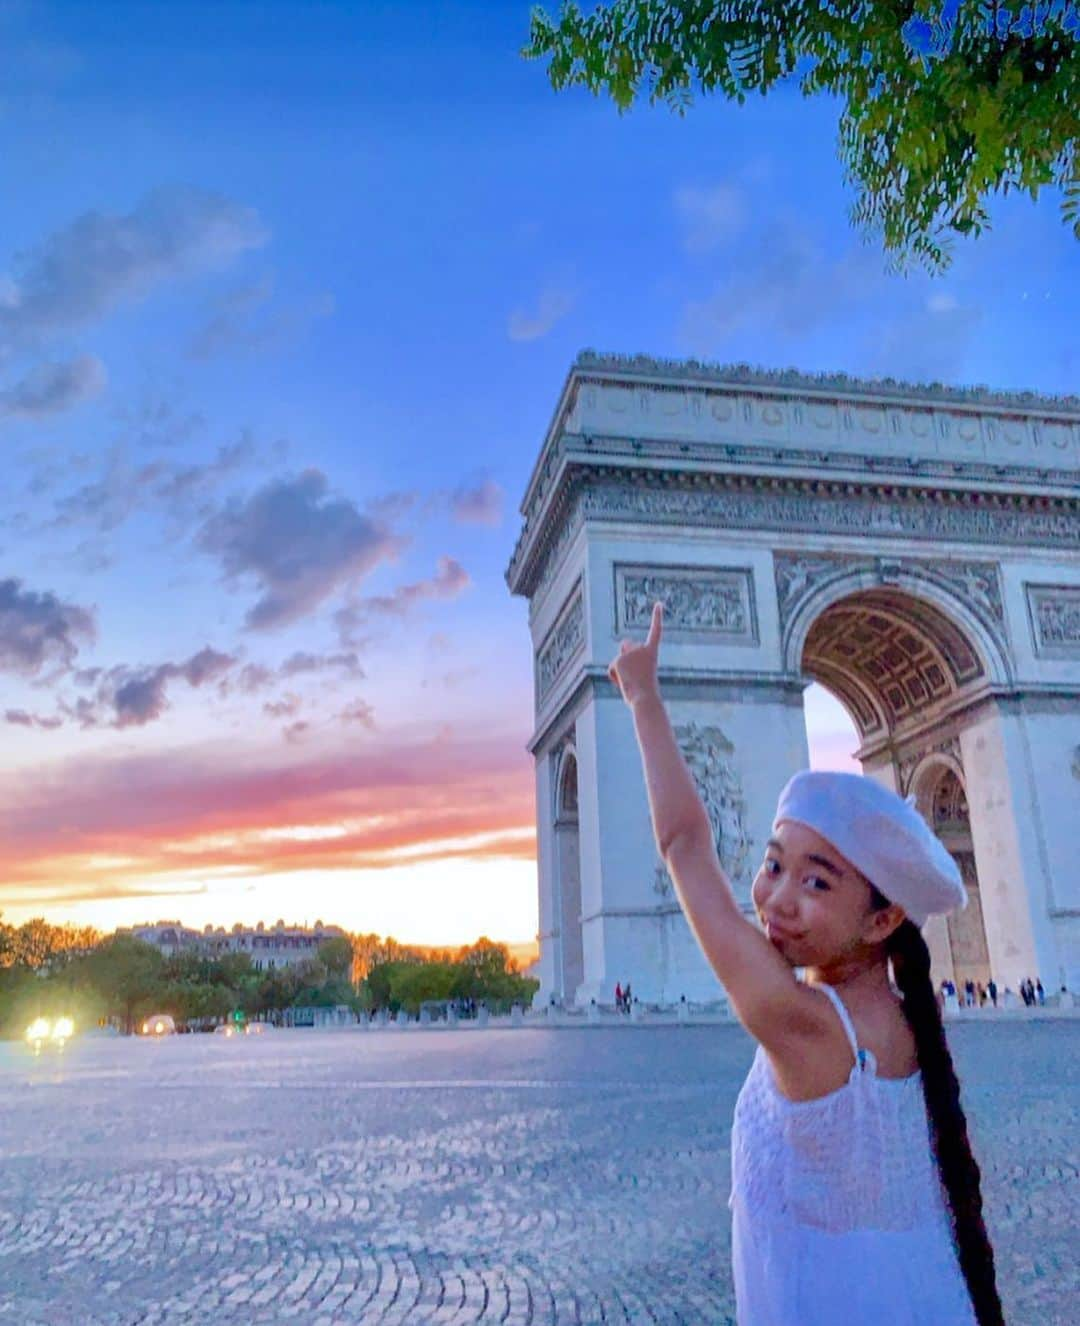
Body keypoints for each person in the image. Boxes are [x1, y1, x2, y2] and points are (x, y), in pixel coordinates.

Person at [608, 603, 1002, 1326]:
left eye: (817, 881)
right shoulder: (908, 1018)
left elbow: (685, 846)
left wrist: (643, 698)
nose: (778, 900)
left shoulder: (805, 1028)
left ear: (883, 919)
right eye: (772, 865)